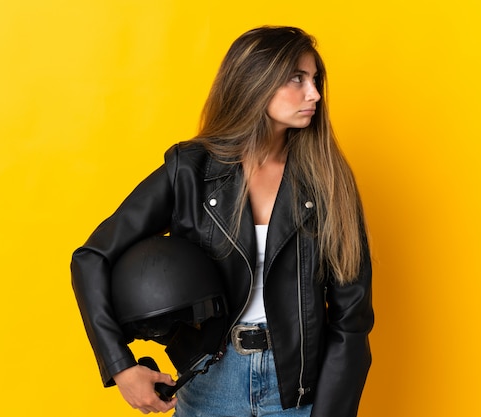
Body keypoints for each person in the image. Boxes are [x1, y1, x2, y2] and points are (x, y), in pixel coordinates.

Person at [71, 26, 374, 417]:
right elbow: (91, 256)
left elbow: (352, 318)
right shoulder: (189, 169)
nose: (314, 94)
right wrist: (121, 366)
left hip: (298, 387)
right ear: (254, 82)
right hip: (211, 380)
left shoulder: (329, 180)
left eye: (315, 80)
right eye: (297, 79)